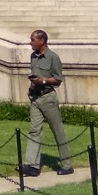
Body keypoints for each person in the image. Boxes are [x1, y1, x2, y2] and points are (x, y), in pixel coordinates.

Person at [22, 29, 74, 175]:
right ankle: (32, 166)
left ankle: (66, 165)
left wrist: (42, 81)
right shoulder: (33, 56)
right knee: (34, 131)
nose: (30, 42)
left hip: (48, 98)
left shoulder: (53, 57)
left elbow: (58, 80)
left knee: (58, 131)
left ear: (42, 41)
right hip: (35, 98)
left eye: (33, 40)